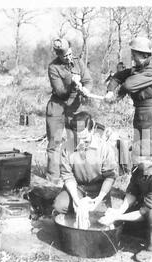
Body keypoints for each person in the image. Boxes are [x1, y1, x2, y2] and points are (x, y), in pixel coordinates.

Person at [99, 139, 152, 262]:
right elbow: (132, 192)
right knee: (125, 228)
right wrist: (119, 212)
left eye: (136, 156)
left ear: (150, 159)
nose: (132, 158)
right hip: (150, 204)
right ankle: (151, 230)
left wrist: (118, 217)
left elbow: (144, 211)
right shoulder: (140, 167)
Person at [53, 111, 118, 222]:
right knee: (60, 205)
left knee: (100, 216)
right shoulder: (66, 148)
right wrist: (75, 199)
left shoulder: (104, 148)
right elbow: (67, 175)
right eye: (78, 139)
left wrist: (99, 199)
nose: (81, 142)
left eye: (85, 139)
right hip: (78, 187)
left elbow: (110, 176)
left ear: (92, 130)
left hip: (98, 189)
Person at [104, 37, 152, 151]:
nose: (132, 57)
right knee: (139, 151)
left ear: (145, 55)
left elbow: (128, 85)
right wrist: (110, 91)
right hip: (140, 112)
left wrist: (116, 98)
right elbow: (118, 76)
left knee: (149, 153)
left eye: (134, 54)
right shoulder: (139, 68)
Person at [46, 38, 93, 183]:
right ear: (58, 55)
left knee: (76, 141)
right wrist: (72, 84)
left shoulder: (78, 62)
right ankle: (53, 177)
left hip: (75, 108)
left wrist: (86, 89)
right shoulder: (53, 67)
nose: (68, 57)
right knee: (55, 142)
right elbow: (61, 92)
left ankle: (76, 175)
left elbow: (88, 80)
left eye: (69, 54)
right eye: (65, 56)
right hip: (57, 107)